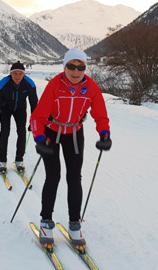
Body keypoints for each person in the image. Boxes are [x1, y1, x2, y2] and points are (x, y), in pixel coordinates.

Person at [29, 49, 111, 247]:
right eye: (71, 66)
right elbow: (37, 117)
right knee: (53, 176)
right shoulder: (54, 85)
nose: (76, 71)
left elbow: (100, 114)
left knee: (74, 177)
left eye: (81, 67)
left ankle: (74, 224)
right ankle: (46, 222)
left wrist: (105, 134)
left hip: (74, 134)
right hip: (51, 132)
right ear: (64, 67)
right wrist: (39, 138)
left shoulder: (91, 87)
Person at [0, 61, 38, 173]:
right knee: (5, 132)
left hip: (20, 109)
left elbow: (34, 103)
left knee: (22, 132)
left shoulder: (29, 83)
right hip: (5, 108)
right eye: (15, 73)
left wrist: (34, 121)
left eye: (20, 74)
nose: (17, 76)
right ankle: (2, 160)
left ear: (24, 74)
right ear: (10, 73)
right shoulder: (2, 83)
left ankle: (19, 160)